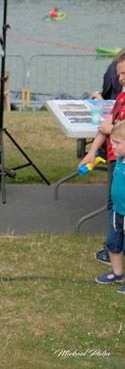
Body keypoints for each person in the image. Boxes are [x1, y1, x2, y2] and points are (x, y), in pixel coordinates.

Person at [87, 48, 125, 265]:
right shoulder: (120, 97)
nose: (119, 79)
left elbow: (112, 128)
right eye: (118, 74)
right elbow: (105, 126)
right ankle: (113, 250)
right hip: (115, 160)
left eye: (124, 74)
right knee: (114, 205)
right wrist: (91, 153)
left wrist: (112, 129)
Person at [95, 120, 125, 294]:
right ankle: (117, 273)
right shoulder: (119, 160)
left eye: (117, 143)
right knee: (113, 244)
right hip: (116, 211)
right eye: (112, 142)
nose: (112, 146)